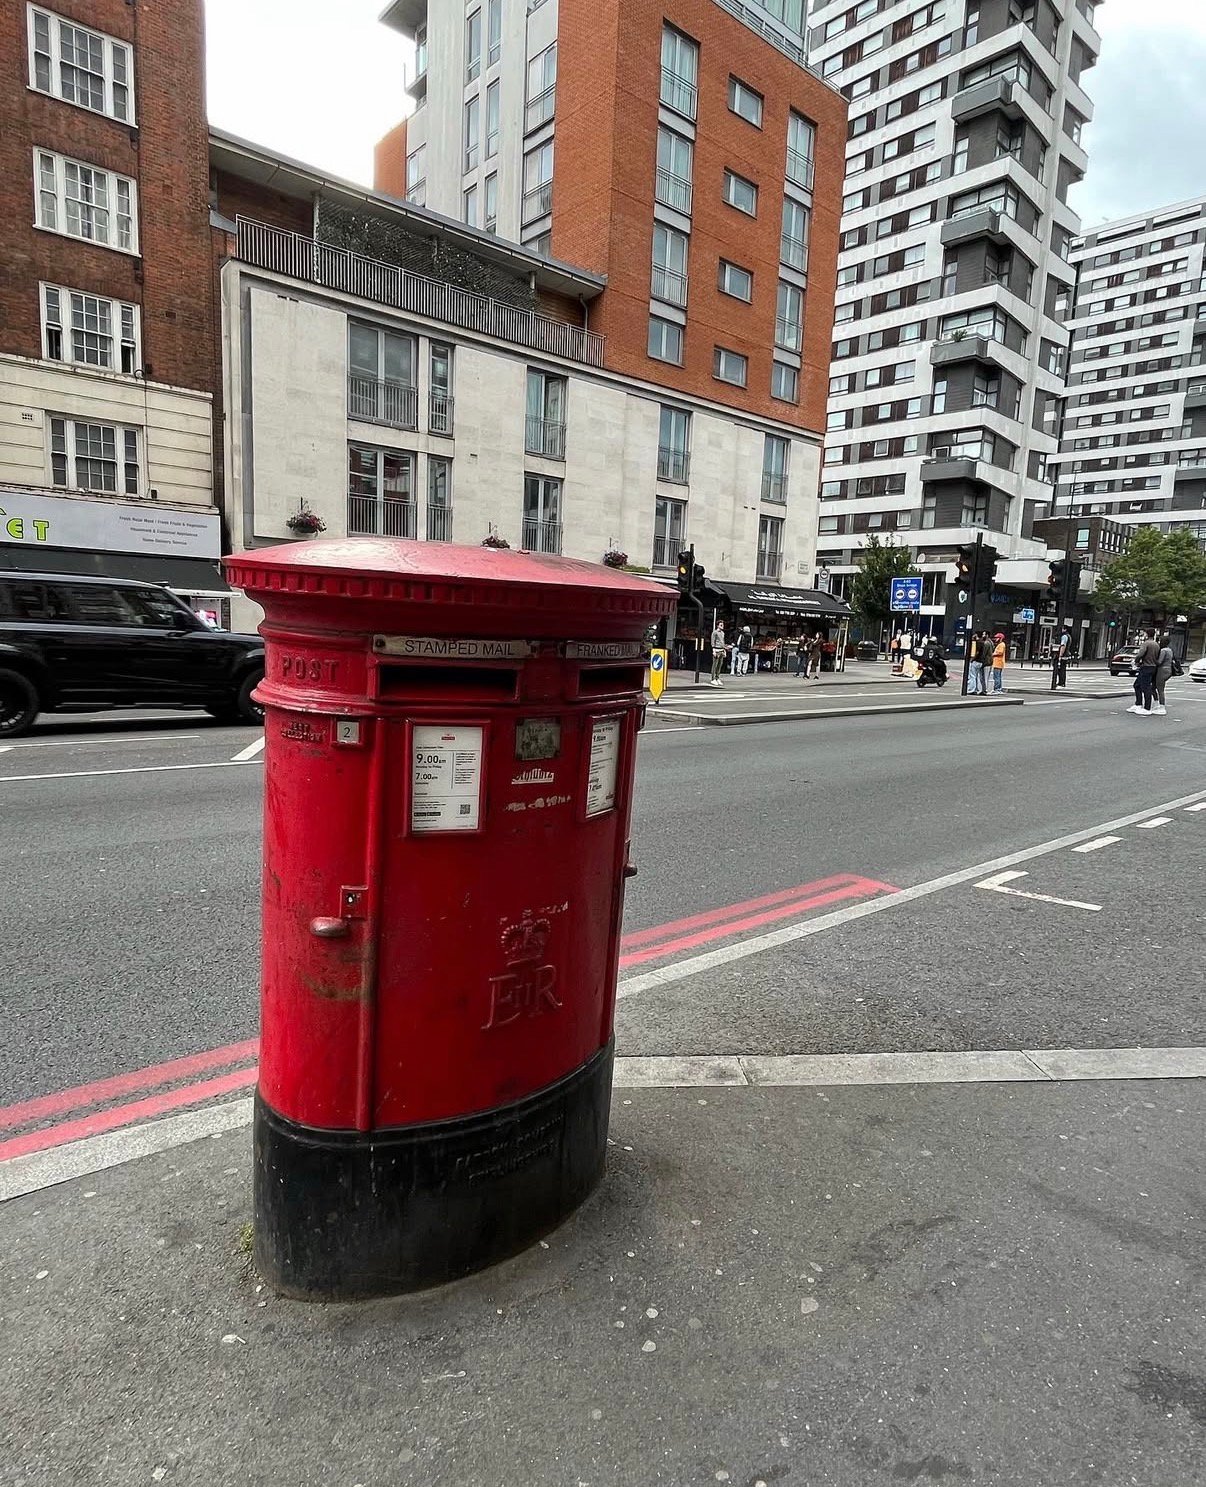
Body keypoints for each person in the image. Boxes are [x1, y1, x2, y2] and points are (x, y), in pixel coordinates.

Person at [1129, 632, 1159, 715]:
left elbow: (1140, 654)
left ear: (1147, 634)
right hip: (1153, 667)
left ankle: (1147, 707)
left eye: (1145, 634)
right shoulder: (1156, 644)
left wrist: (1136, 661)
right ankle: (1138, 704)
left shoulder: (1146, 644)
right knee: (1137, 685)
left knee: (1146, 687)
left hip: (1146, 667)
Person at [1153, 633, 1175, 716]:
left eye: (1160, 641)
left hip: (1162, 670)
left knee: (1160, 689)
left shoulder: (1163, 650)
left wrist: (1152, 658)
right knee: (1154, 687)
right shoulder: (1170, 650)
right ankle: (1157, 704)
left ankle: (1161, 706)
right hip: (1168, 670)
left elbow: (1159, 662)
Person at [709, 621, 728, 687]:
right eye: (721, 625)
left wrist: (724, 650)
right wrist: (713, 650)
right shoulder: (714, 632)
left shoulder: (723, 633)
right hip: (716, 650)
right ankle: (713, 678)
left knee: (720, 665)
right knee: (715, 665)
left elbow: (723, 641)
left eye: (722, 625)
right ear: (717, 625)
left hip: (721, 650)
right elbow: (713, 641)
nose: (722, 626)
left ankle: (717, 677)